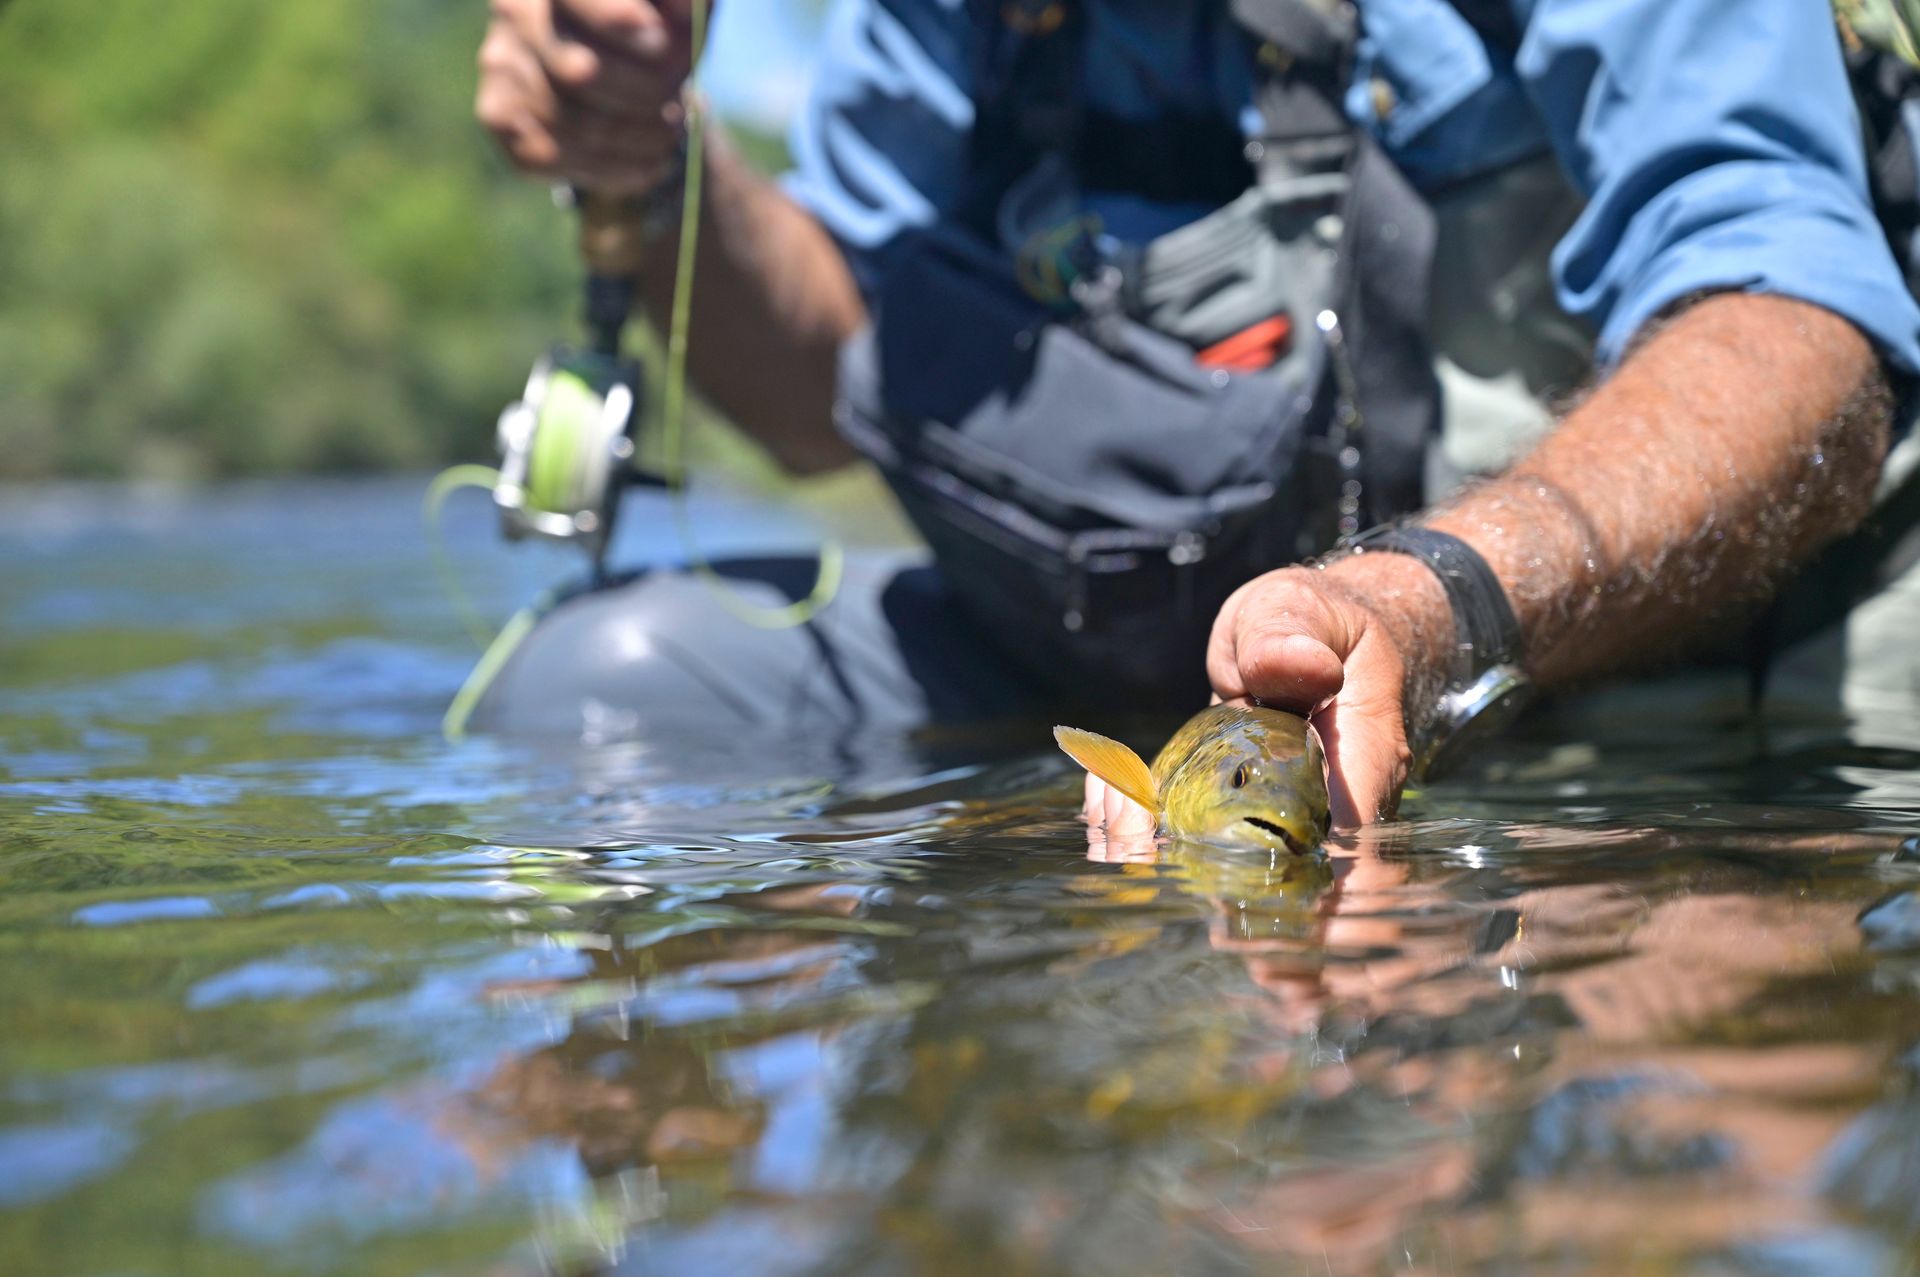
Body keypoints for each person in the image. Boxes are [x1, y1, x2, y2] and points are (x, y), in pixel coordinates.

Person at [471, 0, 1920, 830]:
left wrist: (1434, 607)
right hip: (1144, 676)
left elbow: (1800, 327)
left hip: (1590, 650)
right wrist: (644, 167)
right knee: (607, 688)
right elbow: (826, 389)